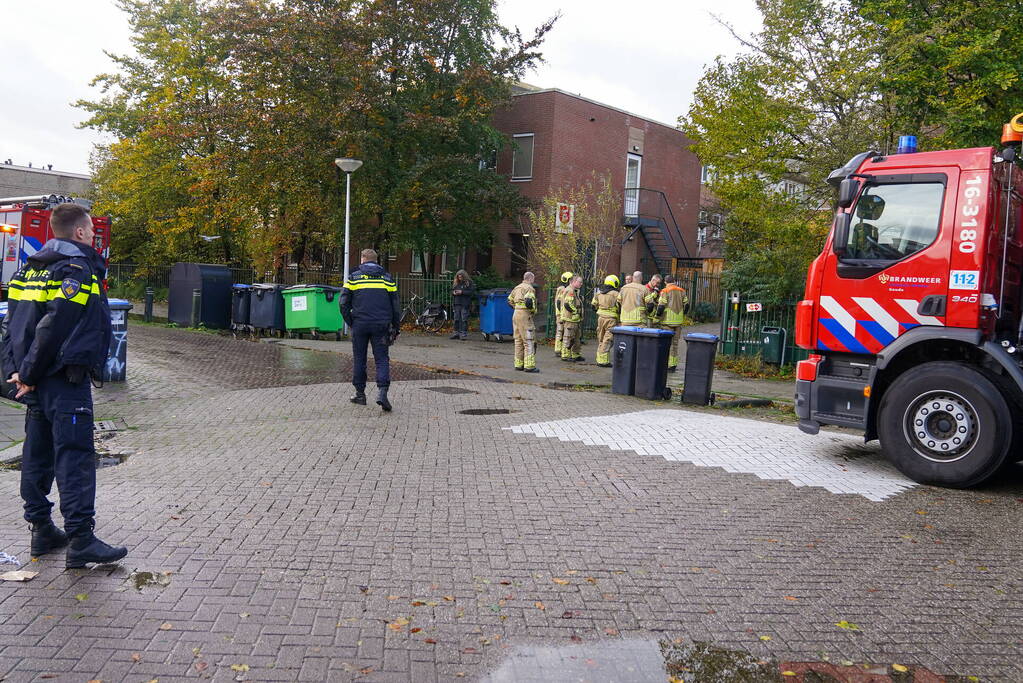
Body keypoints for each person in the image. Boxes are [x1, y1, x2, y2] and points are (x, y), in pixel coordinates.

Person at [1, 203, 126, 569]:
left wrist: (16, 373)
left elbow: (11, 326)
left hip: (35, 381)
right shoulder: (77, 270)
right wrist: (28, 374)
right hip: (62, 380)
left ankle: (42, 529)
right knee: (75, 456)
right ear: (80, 232)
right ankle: (81, 539)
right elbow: (55, 327)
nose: (94, 237)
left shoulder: (28, 270)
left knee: (37, 454)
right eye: (92, 232)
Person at [340, 248, 401, 411]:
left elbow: (343, 303)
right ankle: (382, 392)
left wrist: (351, 322)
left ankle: (360, 394)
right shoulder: (387, 278)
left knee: (359, 358)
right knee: (381, 359)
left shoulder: (354, 277)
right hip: (381, 325)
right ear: (376, 260)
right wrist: (396, 326)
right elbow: (396, 305)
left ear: (362, 259)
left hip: (360, 324)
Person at [656, 275, 690, 372]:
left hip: (667, 322)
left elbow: (661, 307)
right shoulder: (681, 290)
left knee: (667, 344)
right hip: (678, 322)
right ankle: (673, 364)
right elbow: (687, 305)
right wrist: (683, 315)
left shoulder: (665, 291)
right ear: (674, 281)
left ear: (665, 282)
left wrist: (657, 317)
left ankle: (666, 364)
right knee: (675, 344)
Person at [507, 272, 538, 372]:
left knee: (518, 340)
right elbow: (529, 302)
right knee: (528, 340)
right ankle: (529, 366)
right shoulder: (529, 288)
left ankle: (518, 364)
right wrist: (532, 311)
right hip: (525, 315)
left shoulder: (517, 287)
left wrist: (516, 307)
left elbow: (509, 300)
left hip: (516, 314)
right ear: (531, 279)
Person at [591, 275, 620, 367]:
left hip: (600, 318)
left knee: (601, 338)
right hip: (611, 319)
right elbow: (620, 306)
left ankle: (600, 359)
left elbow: (593, 306)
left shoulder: (599, 293)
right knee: (608, 339)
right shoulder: (616, 294)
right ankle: (603, 361)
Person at [560, 275, 585, 362]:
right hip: (570, 319)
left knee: (577, 337)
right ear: (573, 282)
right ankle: (565, 355)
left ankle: (576, 354)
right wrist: (576, 312)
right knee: (568, 337)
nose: (581, 284)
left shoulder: (575, 291)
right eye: (579, 282)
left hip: (575, 319)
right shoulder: (570, 290)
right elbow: (567, 304)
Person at [449, 270, 475, 340]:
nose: (460, 278)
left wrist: (462, 292)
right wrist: (453, 292)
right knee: (456, 319)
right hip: (456, 303)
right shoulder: (456, 283)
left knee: (464, 319)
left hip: (465, 303)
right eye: (458, 277)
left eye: (461, 277)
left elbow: (471, 292)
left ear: (464, 276)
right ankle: (456, 334)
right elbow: (451, 291)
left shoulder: (469, 283)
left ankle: (463, 334)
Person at [553, 271, 572, 356]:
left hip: (560, 314)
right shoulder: (562, 289)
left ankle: (558, 349)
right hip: (561, 314)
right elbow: (559, 302)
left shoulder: (561, 288)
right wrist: (561, 314)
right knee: (561, 332)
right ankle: (559, 350)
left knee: (560, 332)